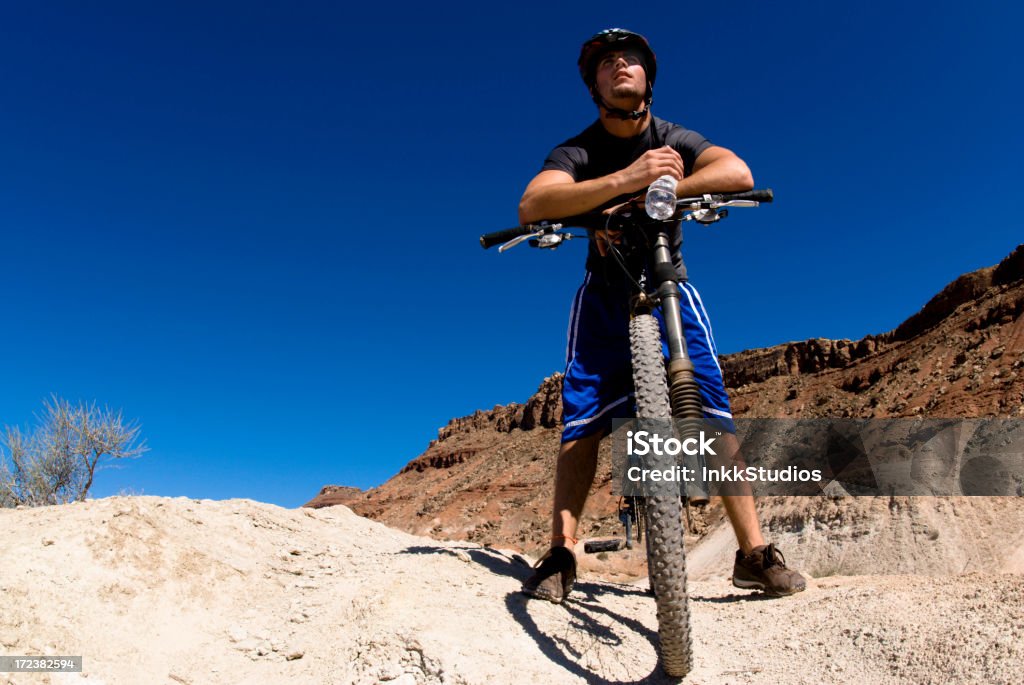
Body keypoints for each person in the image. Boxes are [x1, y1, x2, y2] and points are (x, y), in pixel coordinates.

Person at [519, 28, 806, 603]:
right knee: (581, 421)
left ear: (648, 78)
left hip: (668, 282)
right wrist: (629, 181)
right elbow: (534, 203)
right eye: (606, 64)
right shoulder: (576, 150)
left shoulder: (674, 136)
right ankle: (561, 551)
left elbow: (738, 173)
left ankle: (752, 554)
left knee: (711, 411)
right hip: (604, 293)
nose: (619, 66)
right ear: (594, 85)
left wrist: (668, 191)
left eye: (630, 60)